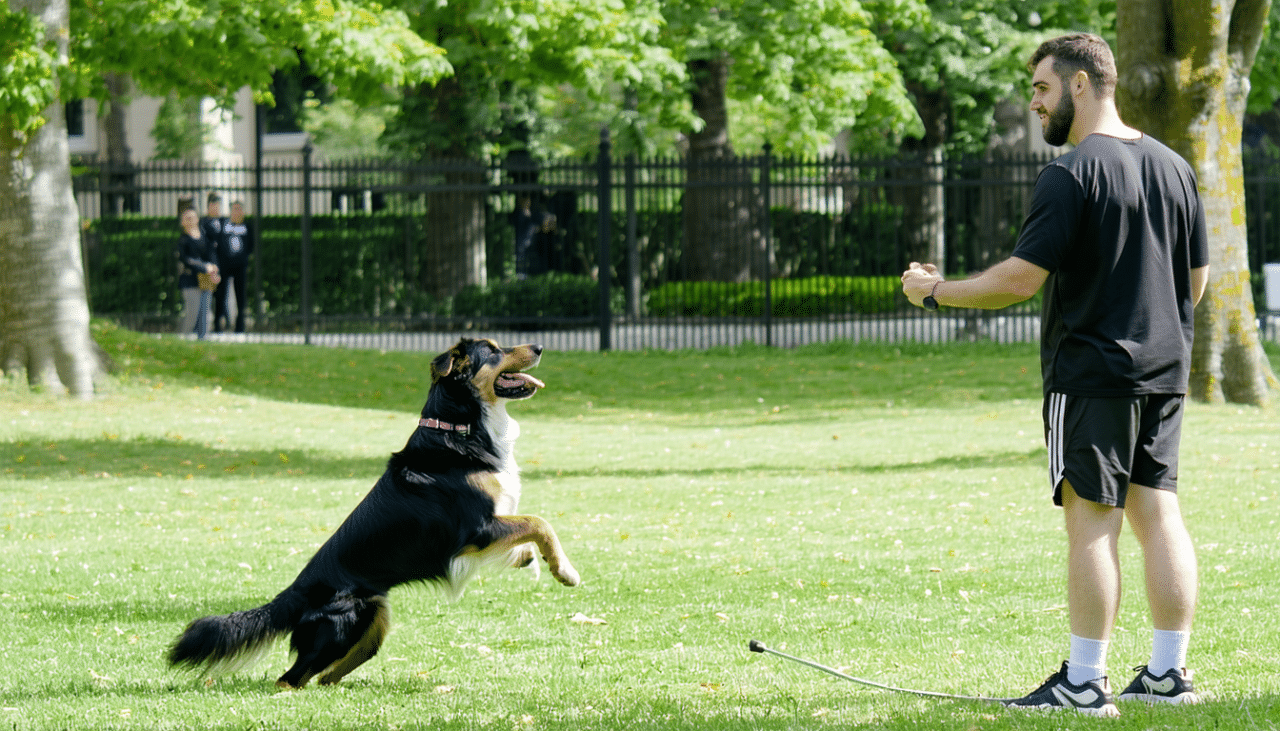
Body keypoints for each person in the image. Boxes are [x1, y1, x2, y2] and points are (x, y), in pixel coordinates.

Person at [901, 33, 1209, 717]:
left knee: (1091, 522)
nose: (1034, 104)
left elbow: (1017, 280)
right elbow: (1197, 279)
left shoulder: (1070, 173)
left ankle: (1084, 679)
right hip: (1165, 371)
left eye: (1040, 89)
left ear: (1078, 84)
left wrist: (934, 290)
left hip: (1093, 374)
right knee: (1158, 513)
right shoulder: (1174, 167)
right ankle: (1168, 671)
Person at [176, 207, 219, 339]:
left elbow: (211, 254)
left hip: (206, 280)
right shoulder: (182, 240)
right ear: (182, 222)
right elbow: (186, 259)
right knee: (193, 313)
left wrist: (214, 268)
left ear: (197, 219)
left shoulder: (204, 237)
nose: (190, 221)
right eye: (187, 218)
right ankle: (183, 339)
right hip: (190, 281)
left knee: (205, 315)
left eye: (192, 218)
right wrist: (204, 268)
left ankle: (203, 341)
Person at [214, 200, 255, 333]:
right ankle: (217, 324)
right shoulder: (223, 224)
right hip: (224, 265)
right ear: (231, 211)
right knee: (220, 294)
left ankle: (239, 326)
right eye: (235, 209)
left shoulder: (247, 227)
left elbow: (251, 245)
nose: (237, 211)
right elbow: (218, 244)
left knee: (240, 296)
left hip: (240, 266)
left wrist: (244, 258)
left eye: (240, 209)